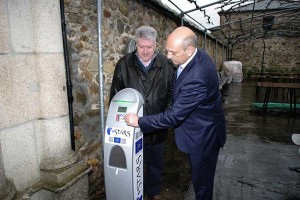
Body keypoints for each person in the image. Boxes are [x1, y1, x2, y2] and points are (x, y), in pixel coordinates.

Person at [125, 26, 226, 200]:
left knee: (202, 186)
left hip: (203, 139)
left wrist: (140, 121)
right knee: (201, 182)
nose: (168, 56)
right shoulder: (197, 56)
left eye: (173, 52)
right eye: (167, 51)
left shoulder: (197, 77)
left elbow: (174, 116)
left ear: (189, 49)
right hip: (201, 129)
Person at [109, 26, 176, 200]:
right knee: (132, 164)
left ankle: (153, 193)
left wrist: (167, 117)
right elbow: (116, 97)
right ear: (135, 44)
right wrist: (120, 123)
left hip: (157, 126)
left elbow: (172, 94)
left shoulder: (167, 64)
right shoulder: (124, 64)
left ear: (156, 45)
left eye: (150, 47)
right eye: (141, 47)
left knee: (155, 164)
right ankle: (132, 193)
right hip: (131, 128)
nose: (145, 51)